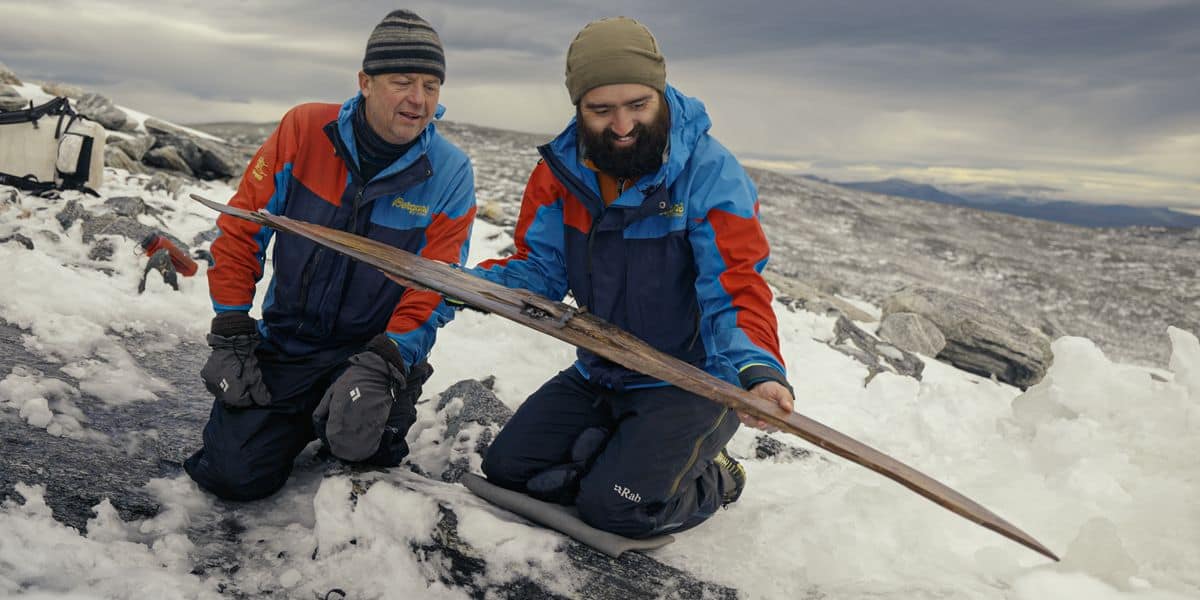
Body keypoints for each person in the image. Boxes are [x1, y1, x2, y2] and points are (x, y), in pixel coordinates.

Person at [470, 16, 793, 537]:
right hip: (604, 370)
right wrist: (470, 285)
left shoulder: (710, 174)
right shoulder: (562, 174)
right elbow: (542, 270)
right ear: (578, 108)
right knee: (509, 471)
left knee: (615, 511)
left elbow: (735, 283)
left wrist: (757, 367)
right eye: (601, 110)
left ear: (660, 96)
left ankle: (718, 478)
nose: (621, 126)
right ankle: (621, 453)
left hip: (693, 382)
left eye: (638, 106)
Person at [185, 10, 476, 501]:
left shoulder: (448, 172)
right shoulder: (304, 130)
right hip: (289, 342)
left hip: (371, 351)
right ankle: (301, 413)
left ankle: (382, 398)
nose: (418, 100)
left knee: (361, 452)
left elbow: (437, 284)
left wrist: (390, 358)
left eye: (431, 85)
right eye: (402, 82)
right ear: (365, 82)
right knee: (232, 476)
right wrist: (232, 330)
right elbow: (242, 228)